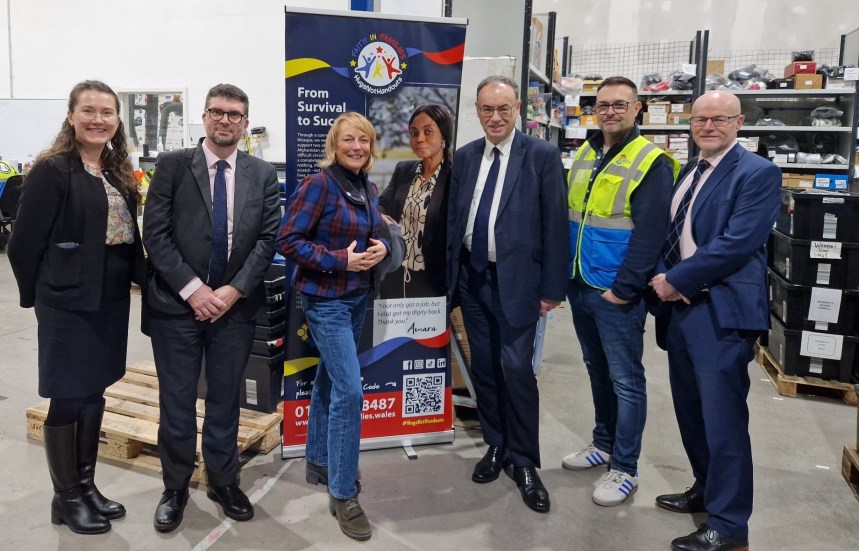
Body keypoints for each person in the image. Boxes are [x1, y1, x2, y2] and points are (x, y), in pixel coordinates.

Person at [8, 80, 146, 534]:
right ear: (71, 116)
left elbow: (127, 240)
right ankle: (65, 496)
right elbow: (24, 244)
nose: (98, 119)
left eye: (107, 111)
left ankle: (84, 487)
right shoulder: (54, 170)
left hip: (109, 299)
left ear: (117, 119)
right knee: (68, 394)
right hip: (67, 302)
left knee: (95, 389)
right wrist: (43, 297)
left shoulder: (114, 169)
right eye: (89, 110)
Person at [143, 83, 280, 532]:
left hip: (235, 311)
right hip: (177, 308)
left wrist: (233, 291)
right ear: (203, 116)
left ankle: (224, 481)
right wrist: (194, 290)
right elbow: (156, 236)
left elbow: (266, 240)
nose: (226, 120)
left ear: (244, 122)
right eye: (218, 112)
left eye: (235, 114)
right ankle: (176, 487)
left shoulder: (262, 174)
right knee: (178, 402)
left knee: (225, 400)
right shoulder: (172, 166)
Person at [650, 91, 781, 551]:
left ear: (739, 121)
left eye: (719, 119)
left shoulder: (758, 173)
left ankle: (728, 526)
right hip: (682, 310)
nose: (708, 126)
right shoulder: (690, 169)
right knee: (691, 410)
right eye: (700, 119)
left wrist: (676, 278)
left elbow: (738, 242)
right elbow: (676, 231)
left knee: (723, 419)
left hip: (719, 311)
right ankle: (706, 489)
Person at [446, 75, 569, 513]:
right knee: (484, 368)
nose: (494, 117)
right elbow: (455, 221)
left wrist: (553, 288)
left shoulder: (541, 156)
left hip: (518, 283)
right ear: (476, 112)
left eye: (502, 109)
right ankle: (495, 445)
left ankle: (525, 462)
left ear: (517, 108)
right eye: (486, 109)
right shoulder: (463, 158)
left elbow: (556, 225)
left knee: (517, 370)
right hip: (474, 281)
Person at [562, 76, 678, 507]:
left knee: (626, 380)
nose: (610, 111)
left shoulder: (651, 161)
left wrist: (625, 290)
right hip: (581, 282)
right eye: (603, 104)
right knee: (597, 370)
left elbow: (651, 235)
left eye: (619, 105)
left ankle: (625, 468)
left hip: (616, 292)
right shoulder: (587, 152)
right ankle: (603, 443)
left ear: (637, 108)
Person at [277, 112, 391, 541]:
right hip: (325, 302)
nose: (357, 146)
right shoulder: (319, 184)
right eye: (348, 140)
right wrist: (338, 260)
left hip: (358, 296)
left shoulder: (367, 186)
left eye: (363, 139)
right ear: (334, 144)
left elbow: (368, 232)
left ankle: (319, 461)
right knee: (350, 390)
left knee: (328, 380)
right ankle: (343, 493)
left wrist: (380, 245)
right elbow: (287, 240)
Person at [378, 104, 453, 298]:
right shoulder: (404, 170)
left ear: (444, 135)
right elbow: (382, 205)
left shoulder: (456, 177)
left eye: (428, 132)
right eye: (414, 132)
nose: (419, 138)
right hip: (395, 272)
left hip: (433, 280)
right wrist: (383, 218)